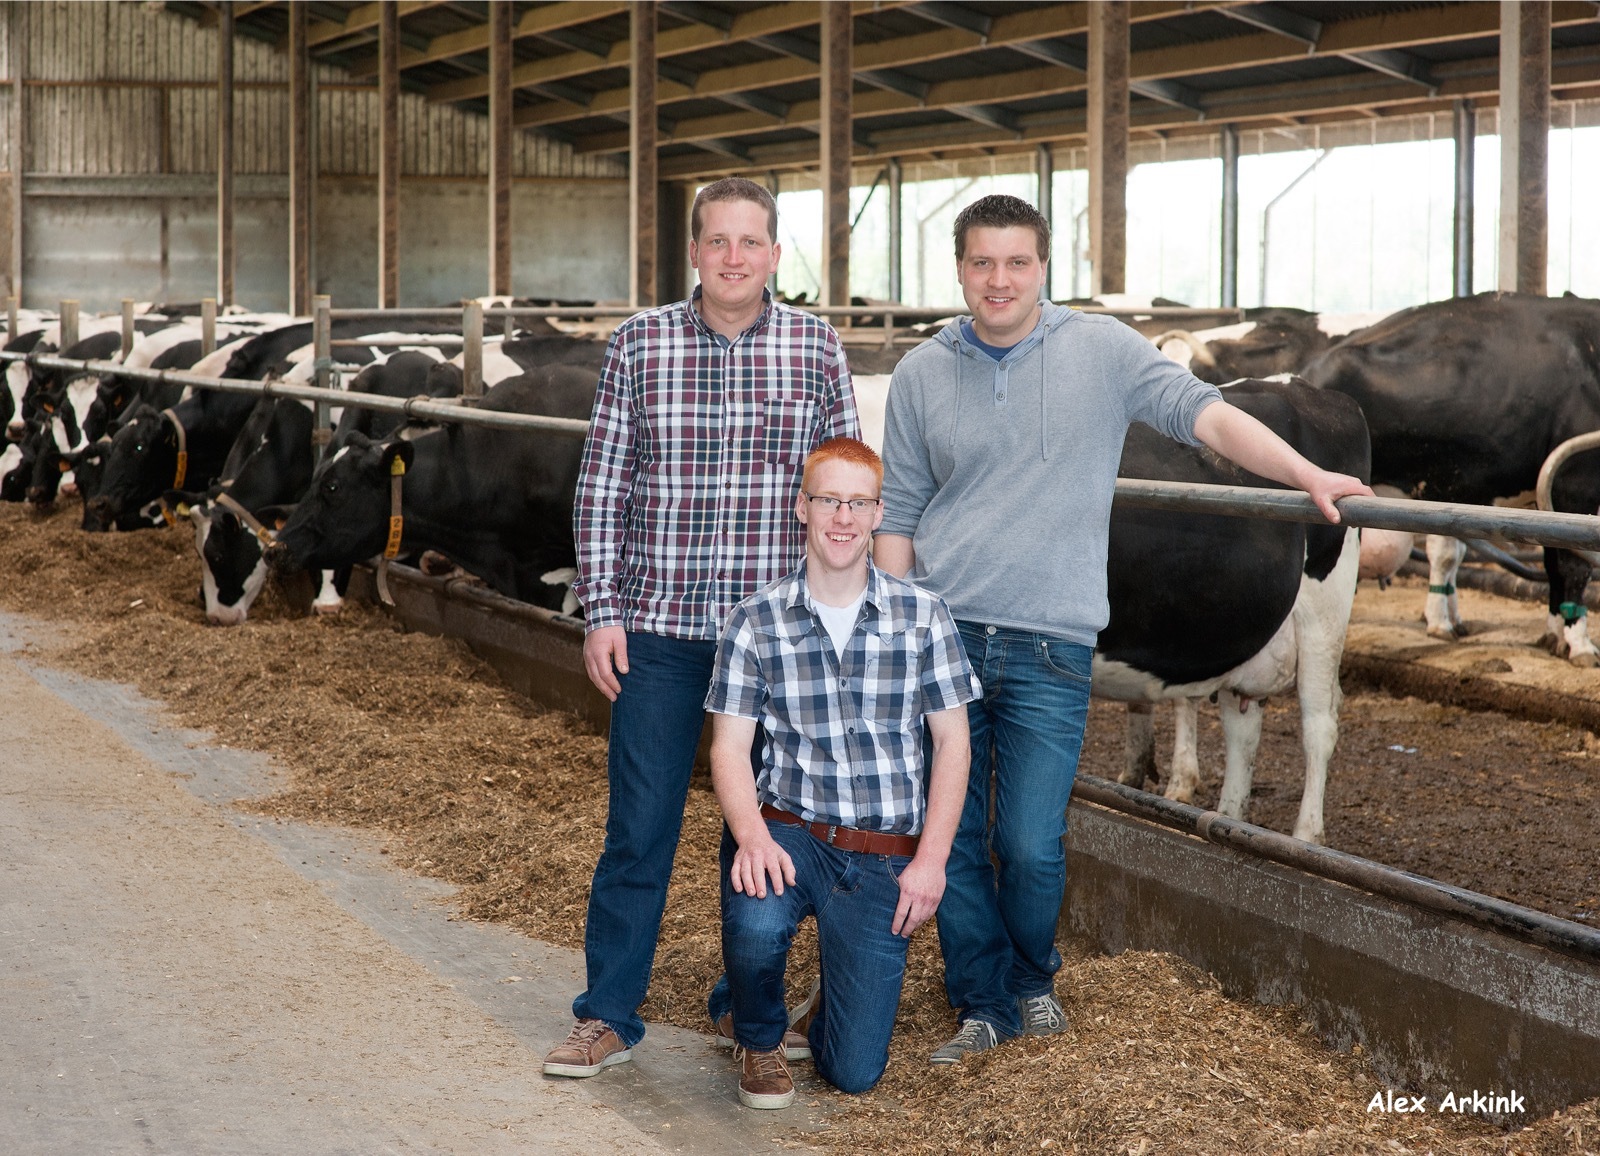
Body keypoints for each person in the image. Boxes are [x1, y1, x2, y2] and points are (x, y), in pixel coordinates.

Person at [872, 194, 1373, 1065]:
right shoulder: (923, 371)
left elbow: (1204, 414)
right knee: (945, 839)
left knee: (1029, 844)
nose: (999, 279)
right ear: (959, 270)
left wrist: (1304, 471)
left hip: (1050, 645)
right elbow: (902, 512)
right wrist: (882, 633)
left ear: (1043, 267)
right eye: (982, 262)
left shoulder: (1099, 350)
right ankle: (982, 1001)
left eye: (1017, 262)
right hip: (942, 641)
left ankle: (1032, 979)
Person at [545, 178, 860, 1078]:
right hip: (661, 633)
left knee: (755, 838)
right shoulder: (641, 345)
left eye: (750, 242)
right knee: (638, 828)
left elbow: (840, 488)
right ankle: (607, 1014)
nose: (733, 258)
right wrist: (602, 612)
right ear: (693, 252)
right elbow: (603, 484)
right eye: (717, 241)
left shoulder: (814, 347)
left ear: (774, 253)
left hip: (773, 649)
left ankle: (747, 1019)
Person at [705, 436, 980, 1108]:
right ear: (801, 507)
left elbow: (954, 744)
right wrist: (751, 834)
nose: (842, 517)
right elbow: (728, 748)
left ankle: (824, 1002)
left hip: (882, 854)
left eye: (858, 503)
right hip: (790, 831)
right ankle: (761, 1037)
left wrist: (931, 862)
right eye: (828, 499)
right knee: (756, 923)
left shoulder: (923, 616)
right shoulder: (756, 619)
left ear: (879, 513)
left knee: (854, 1073)